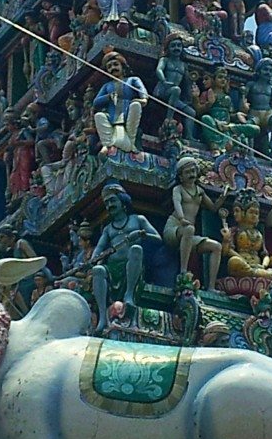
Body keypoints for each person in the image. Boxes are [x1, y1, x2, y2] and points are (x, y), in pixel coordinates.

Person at [92, 183, 160, 330]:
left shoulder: (138, 220)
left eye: (112, 200)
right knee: (98, 270)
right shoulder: (108, 229)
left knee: (136, 248)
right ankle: (103, 316)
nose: (109, 205)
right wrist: (94, 258)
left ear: (122, 201)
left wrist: (142, 234)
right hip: (112, 267)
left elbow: (158, 238)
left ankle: (129, 294)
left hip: (132, 266)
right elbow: (99, 248)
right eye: (107, 203)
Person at [163, 157, 229, 289]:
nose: (192, 175)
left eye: (193, 171)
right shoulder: (178, 189)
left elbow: (213, 208)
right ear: (181, 177)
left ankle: (211, 287)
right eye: (187, 172)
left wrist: (222, 198)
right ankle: (183, 273)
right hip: (174, 229)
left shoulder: (199, 191)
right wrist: (181, 219)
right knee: (189, 230)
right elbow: (177, 203)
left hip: (188, 234)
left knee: (216, 247)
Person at [92, 50, 148, 153]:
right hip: (112, 114)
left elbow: (142, 92)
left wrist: (143, 99)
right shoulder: (107, 86)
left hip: (128, 112)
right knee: (99, 116)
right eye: (109, 67)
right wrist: (108, 97)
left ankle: (131, 140)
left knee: (136, 105)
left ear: (122, 66)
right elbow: (96, 102)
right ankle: (107, 143)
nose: (113, 68)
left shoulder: (132, 80)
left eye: (115, 64)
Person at [243, 58, 272, 155]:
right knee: (250, 125)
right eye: (265, 70)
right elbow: (244, 96)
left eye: (270, 71)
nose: (268, 72)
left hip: (267, 114)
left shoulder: (271, 89)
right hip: (255, 113)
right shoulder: (251, 85)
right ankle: (249, 150)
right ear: (259, 71)